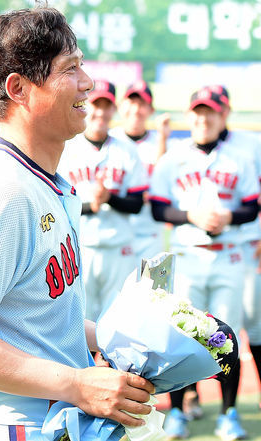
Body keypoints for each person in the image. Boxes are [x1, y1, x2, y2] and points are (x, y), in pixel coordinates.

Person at [0, 8, 154, 440]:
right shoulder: (3, 190)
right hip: (7, 423)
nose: (88, 82)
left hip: (42, 419)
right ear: (19, 89)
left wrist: (117, 338)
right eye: (70, 69)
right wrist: (77, 385)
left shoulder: (42, 182)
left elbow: (37, 319)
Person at [149, 88, 260, 441]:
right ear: (189, 116)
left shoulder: (239, 158)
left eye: (210, 112)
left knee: (228, 338)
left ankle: (228, 414)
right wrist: (190, 216)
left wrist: (229, 216)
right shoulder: (173, 159)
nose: (203, 119)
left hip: (229, 255)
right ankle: (177, 411)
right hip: (188, 256)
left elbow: (252, 206)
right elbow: (158, 208)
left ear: (221, 117)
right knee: (181, 335)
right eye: (198, 112)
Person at [207, 84, 261, 418]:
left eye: (219, 108)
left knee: (254, 319)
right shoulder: (193, 148)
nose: (215, 114)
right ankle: (190, 395)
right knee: (202, 321)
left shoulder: (250, 145)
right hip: (211, 248)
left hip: (248, 242)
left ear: (227, 111)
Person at [57, 79, 146, 322]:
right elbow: (56, 202)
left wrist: (109, 198)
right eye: (97, 105)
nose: (101, 112)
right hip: (79, 247)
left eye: (107, 106)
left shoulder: (127, 150)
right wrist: (90, 206)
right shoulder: (67, 148)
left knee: (119, 319)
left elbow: (137, 204)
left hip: (119, 248)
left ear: (114, 109)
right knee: (79, 318)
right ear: (87, 105)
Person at [109, 80, 169, 263]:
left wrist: (163, 139)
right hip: (114, 232)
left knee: (149, 282)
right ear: (121, 106)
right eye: (131, 102)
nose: (136, 109)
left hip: (149, 233)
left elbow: (162, 183)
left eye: (142, 104)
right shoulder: (109, 141)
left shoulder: (160, 143)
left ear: (151, 110)